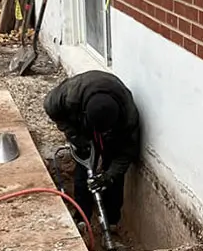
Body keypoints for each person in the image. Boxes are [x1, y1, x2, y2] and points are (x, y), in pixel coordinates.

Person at [44, 70, 140, 236]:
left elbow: (126, 153)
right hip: (84, 126)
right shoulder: (69, 96)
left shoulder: (128, 118)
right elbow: (50, 109)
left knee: (113, 177)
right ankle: (82, 218)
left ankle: (111, 223)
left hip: (112, 132)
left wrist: (109, 175)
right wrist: (74, 136)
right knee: (83, 169)